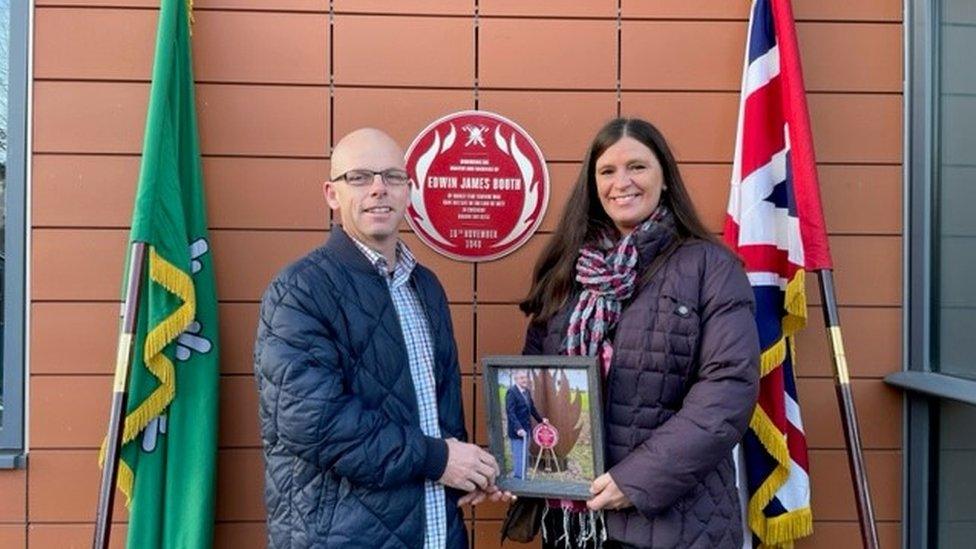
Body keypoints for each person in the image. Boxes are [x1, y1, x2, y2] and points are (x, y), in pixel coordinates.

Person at [254, 128, 505, 548]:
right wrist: (440, 459)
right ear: (332, 194)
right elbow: (314, 423)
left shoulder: (425, 287)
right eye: (360, 177)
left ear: (409, 191)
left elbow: (435, 419)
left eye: (392, 177)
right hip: (340, 538)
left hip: (435, 532)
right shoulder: (300, 290)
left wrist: (471, 471)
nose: (378, 189)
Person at [515, 118, 760, 548]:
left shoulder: (710, 268)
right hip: (575, 524)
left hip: (675, 523)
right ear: (593, 185)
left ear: (664, 177)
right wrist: (519, 459)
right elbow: (537, 385)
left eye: (637, 167)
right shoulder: (565, 272)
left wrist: (636, 481)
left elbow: (727, 391)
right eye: (607, 171)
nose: (621, 182)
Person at [505, 370, 545, 479]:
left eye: (525, 377)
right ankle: (518, 479)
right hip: (517, 431)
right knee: (519, 455)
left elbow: (532, 409)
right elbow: (510, 412)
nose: (524, 380)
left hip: (527, 430)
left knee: (525, 454)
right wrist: (518, 428)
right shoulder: (511, 392)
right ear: (516, 379)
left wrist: (541, 421)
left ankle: (524, 476)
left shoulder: (527, 392)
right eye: (521, 378)